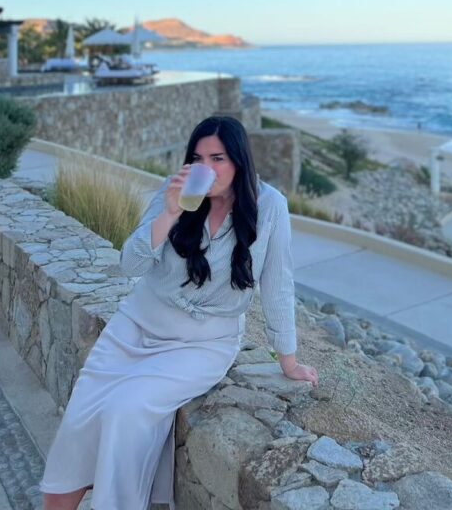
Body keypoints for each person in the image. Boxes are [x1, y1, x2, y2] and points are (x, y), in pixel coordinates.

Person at [39, 115, 318, 510]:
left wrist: (287, 360)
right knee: (83, 416)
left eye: (218, 158)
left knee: (127, 409)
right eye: (198, 158)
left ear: (239, 160)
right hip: (135, 327)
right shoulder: (176, 192)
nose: (207, 169)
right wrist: (169, 213)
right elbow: (130, 264)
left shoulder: (270, 206)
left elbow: (278, 283)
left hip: (201, 344)